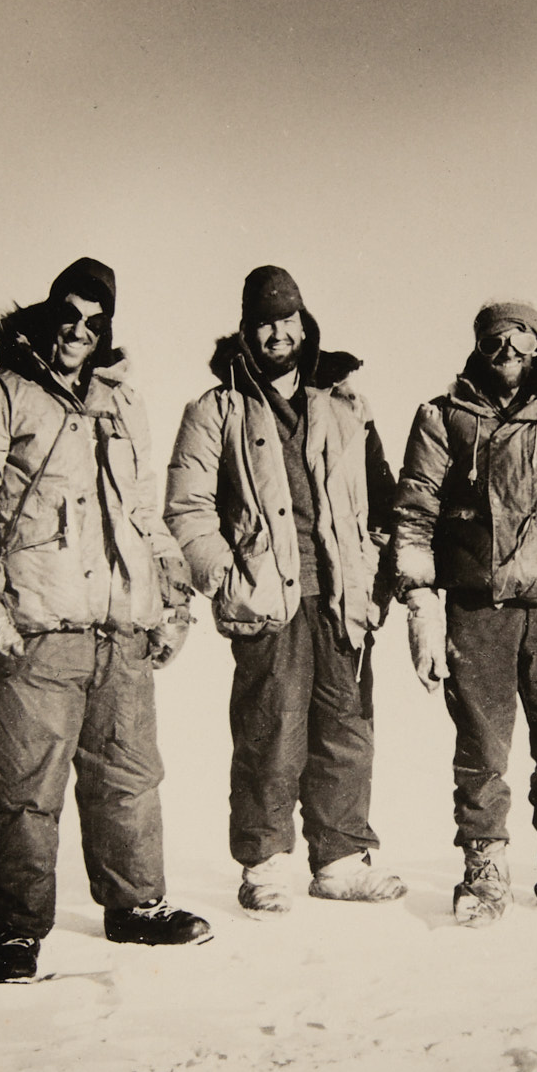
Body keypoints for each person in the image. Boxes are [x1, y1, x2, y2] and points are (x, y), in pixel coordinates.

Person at [0, 257, 211, 985]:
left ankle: (136, 905)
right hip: (37, 626)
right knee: (26, 787)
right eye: (69, 315)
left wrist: (172, 595)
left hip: (118, 629)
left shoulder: (123, 404)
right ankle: (16, 933)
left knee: (129, 776)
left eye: (96, 322)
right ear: (46, 314)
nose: (79, 331)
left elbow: (142, 513)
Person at [165, 266, 406, 916]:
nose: (278, 331)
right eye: (265, 320)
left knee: (346, 729)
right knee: (271, 732)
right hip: (269, 602)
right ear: (246, 329)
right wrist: (231, 580)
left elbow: (384, 499)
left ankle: (341, 858)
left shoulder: (345, 406)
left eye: (288, 317)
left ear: (306, 323)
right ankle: (265, 863)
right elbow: (186, 513)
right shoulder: (216, 410)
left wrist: (376, 580)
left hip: (341, 599)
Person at [392, 301, 537, 927]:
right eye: (495, 339)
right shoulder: (442, 417)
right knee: (481, 743)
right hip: (477, 606)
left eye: (519, 338)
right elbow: (414, 517)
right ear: (479, 345)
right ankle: (484, 864)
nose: (507, 350)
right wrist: (421, 610)